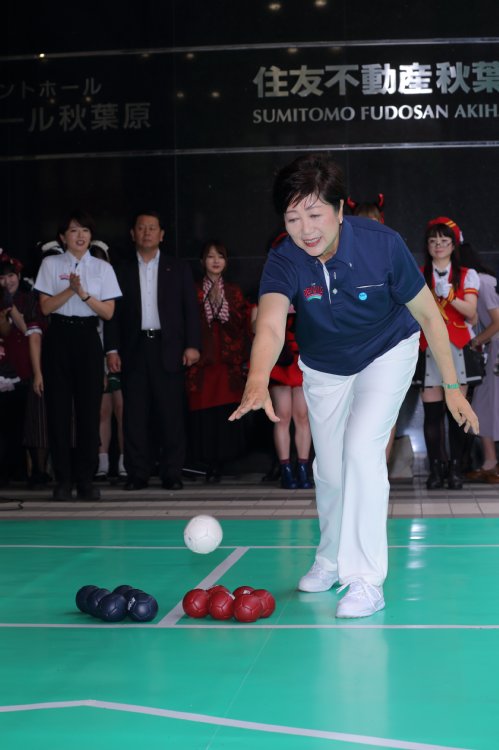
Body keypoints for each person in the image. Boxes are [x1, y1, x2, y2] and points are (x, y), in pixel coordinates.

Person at [229, 152, 478, 619]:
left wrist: (451, 385)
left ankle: (364, 580)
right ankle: (329, 558)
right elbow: (270, 325)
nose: (306, 228)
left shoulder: (381, 244)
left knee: (363, 451)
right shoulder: (285, 258)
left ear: (340, 210)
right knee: (330, 469)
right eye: (293, 217)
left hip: (387, 351)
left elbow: (428, 314)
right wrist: (258, 379)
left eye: (315, 214)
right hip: (325, 366)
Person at [104, 211, 201, 491]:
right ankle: (137, 473)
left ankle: (172, 472)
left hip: (168, 348)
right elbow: (114, 314)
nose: (147, 232)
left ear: (162, 234)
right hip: (134, 349)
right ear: (133, 233)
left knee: (171, 414)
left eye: (152, 228)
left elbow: (190, 311)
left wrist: (193, 345)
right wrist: (112, 349)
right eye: (141, 228)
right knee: (134, 415)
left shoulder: (178, 267)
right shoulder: (120, 270)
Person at [34, 210, 122, 501]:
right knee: (58, 412)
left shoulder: (102, 268)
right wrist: (70, 292)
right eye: (73, 231)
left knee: (89, 412)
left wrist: (83, 294)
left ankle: (86, 479)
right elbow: (45, 308)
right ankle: (63, 480)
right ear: (62, 237)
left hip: (87, 338)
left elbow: (108, 312)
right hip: (59, 337)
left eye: (85, 230)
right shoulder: (50, 264)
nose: (80, 235)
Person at [414, 217, 480, 490]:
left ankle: (456, 468)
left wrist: (451, 296)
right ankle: (436, 468)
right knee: (431, 414)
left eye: (444, 241)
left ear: (454, 245)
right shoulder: (418, 274)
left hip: (457, 347)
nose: (438, 245)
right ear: (427, 246)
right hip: (428, 348)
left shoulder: (466, 275)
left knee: (457, 414)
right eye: (433, 241)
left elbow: (473, 315)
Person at [185, 241, 250, 482]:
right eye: (210, 256)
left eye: (219, 256)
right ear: (202, 262)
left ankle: (224, 464)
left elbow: (240, 325)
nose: (215, 261)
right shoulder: (192, 290)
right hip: (201, 363)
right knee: (203, 415)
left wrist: (220, 305)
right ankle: (205, 463)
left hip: (226, 363)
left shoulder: (233, 291)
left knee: (225, 413)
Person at [251, 298, 313, 489]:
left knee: (302, 416)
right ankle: (285, 470)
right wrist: (275, 312)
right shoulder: (266, 293)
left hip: (304, 356)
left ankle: (303, 469)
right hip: (279, 357)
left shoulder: (307, 287)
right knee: (282, 415)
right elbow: (254, 327)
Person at [458, 243, 499, 484]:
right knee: (484, 405)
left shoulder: (481, 282)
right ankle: (489, 462)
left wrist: (474, 342)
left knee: (487, 406)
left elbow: (497, 322)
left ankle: (491, 463)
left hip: (494, 349)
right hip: (491, 348)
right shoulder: (485, 280)